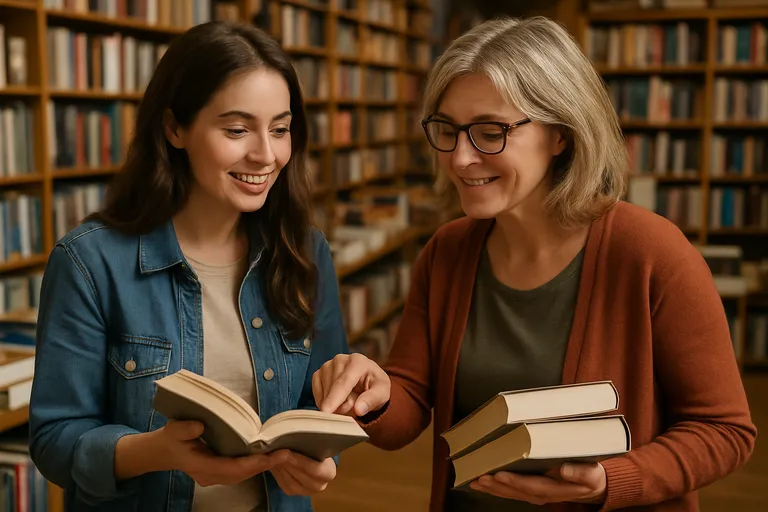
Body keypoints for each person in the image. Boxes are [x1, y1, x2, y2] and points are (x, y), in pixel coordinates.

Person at [311, 16, 757, 512]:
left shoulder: (653, 254)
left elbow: (726, 431)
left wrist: (612, 481)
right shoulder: (447, 251)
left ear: (560, 135)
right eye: (447, 130)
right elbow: (410, 402)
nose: (460, 158)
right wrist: (376, 393)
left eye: (489, 132)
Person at [29, 21, 348, 512]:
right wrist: (152, 452)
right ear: (175, 128)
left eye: (280, 129)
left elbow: (319, 410)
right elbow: (54, 439)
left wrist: (322, 462)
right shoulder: (90, 262)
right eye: (237, 129)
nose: (266, 154)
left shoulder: (304, 250)